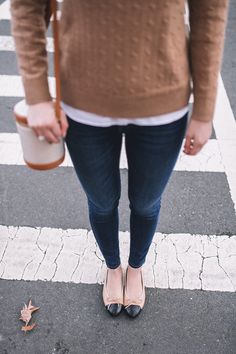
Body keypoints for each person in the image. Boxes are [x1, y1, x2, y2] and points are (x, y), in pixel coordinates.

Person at [10, 0, 229, 318]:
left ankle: (136, 267)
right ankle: (114, 267)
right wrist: (37, 94)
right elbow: (27, 6)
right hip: (83, 103)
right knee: (101, 201)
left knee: (145, 202)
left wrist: (206, 107)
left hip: (163, 101)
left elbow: (209, 11)